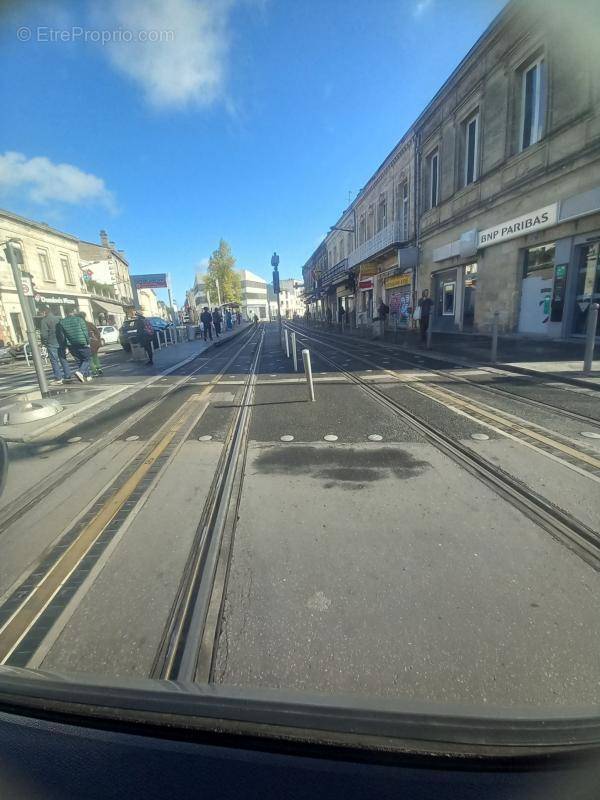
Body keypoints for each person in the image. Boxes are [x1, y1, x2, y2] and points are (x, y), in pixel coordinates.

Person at [57, 307, 91, 382]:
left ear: (65, 313)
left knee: (79, 360)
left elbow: (63, 336)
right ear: (73, 312)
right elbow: (85, 332)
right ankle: (81, 372)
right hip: (82, 342)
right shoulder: (79, 320)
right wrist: (88, 342)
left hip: (71, 344)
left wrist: (65, 346)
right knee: (87, 359)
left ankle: (86, 376)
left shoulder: (62, 322)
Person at [40, 306, 72, 384]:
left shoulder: (44, 320)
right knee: (63, 359)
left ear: (44, 312)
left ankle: (58, 378)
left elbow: (44, 334)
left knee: (54, 361)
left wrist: (44, 342)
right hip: (61, 342)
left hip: (51, 343)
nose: (41, 314)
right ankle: (68, 376)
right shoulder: (59, 318)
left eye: (41, 312)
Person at [78, 312, 103, 376]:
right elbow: (98, 332)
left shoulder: (80, 325)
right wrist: (97, 340)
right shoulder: (90, 324)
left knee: (89, 358)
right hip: (95, 342)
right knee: (95, 355)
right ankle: (98, 368)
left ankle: (94, 370)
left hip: (87, 343)